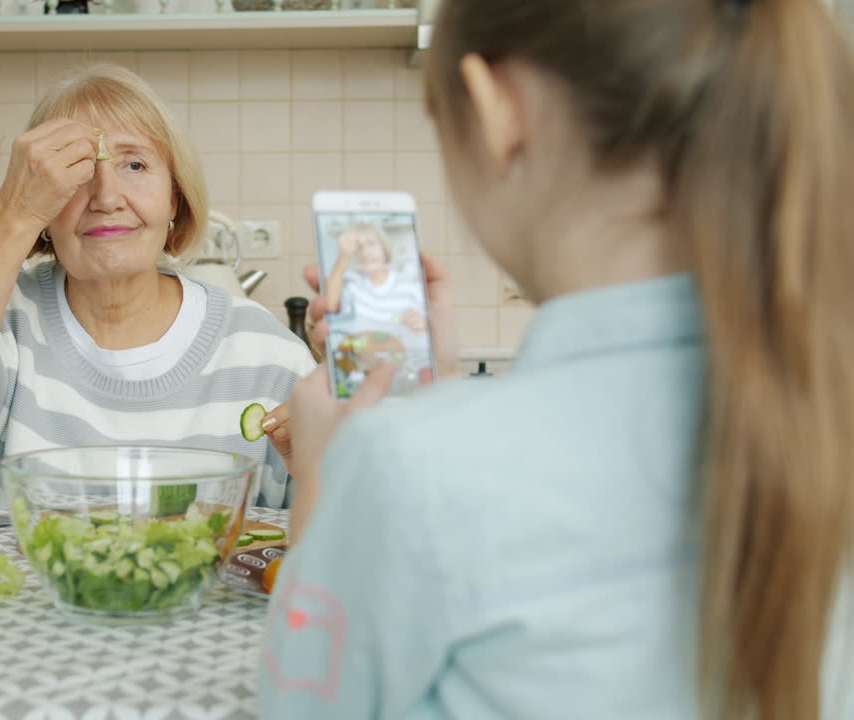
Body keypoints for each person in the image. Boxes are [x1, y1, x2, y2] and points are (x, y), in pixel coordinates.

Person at [261, 0, 854, 718]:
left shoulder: (402, 468)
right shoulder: (823, 409)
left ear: (496, 112)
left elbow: (302, 705)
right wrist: (437, 401)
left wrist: (326, 478)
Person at [0, 64, 315, 510]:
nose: (107, 198)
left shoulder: (267, 355)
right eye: (75, 171)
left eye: (134, 164)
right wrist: (13, 215)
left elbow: (339, 538)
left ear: (174, 196)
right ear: (42, 202)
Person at [324, 222, 431, 394]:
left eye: (372, 244)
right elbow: (328, 304)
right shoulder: (351, 282)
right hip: (362, 373)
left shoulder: (408, 285)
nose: (366, 252)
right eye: (359, 247)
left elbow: (428, 326)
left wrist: (422, 323)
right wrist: (343, 257)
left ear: (384, 248)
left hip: (407, 372)